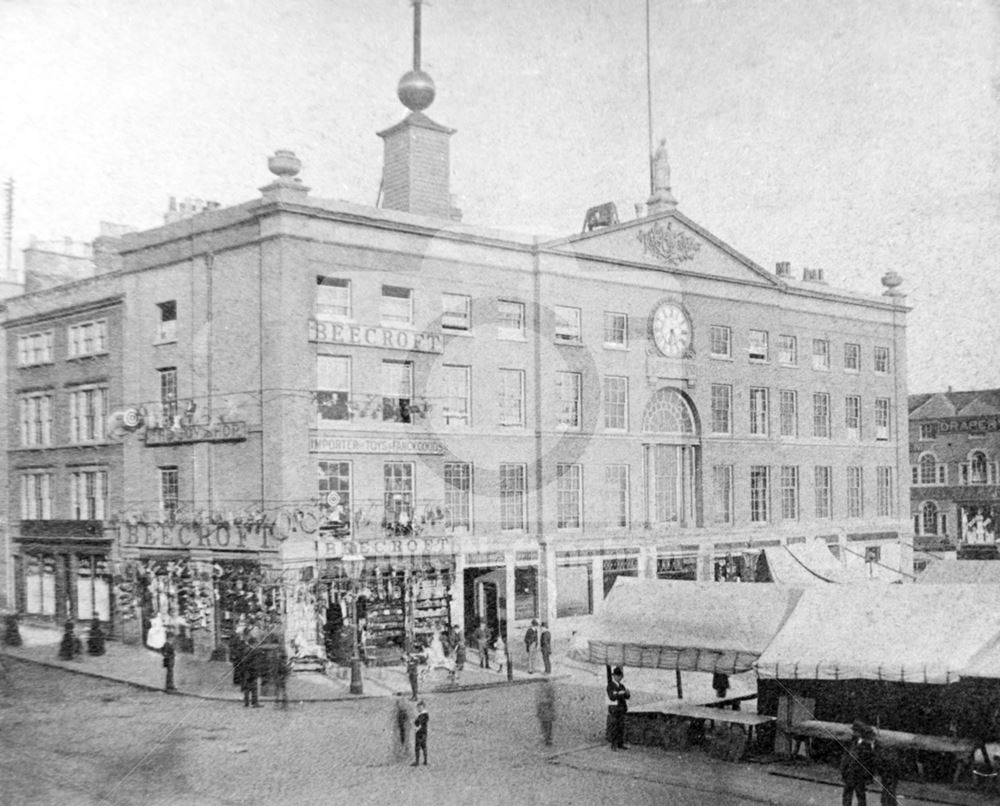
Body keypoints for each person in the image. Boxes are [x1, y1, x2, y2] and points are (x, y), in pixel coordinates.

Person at [841, 721, 876, 806]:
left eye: (855, 731)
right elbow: (846, 759)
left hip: (859, 776)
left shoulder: (866, 747)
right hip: (850, 774)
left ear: (859, 733)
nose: (853, 733)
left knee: (860, 796)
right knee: (847, 794)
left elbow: (869, 764)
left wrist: (868, 777)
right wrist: (844, 772)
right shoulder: (853, 742)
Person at [607, 666, 630, 750]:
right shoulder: (610, 685)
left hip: (621, 708)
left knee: (621, 727)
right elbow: (612, 696)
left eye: (620, 676)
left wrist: (626, 693)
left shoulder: (622, 686)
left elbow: (627, 697)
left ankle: (620, 743)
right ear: (614, 676)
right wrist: (620, 693)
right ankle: (613, 744)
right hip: (614, 709)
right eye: (617, 676)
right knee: (614, 727)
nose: (619, 678)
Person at [536, 679, 556, 746]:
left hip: (547, 711)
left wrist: (544, 701)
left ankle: (548, 739)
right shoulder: (540, 690)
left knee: (548, 725)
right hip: (543, 710)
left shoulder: (549, 690)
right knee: (543, 725)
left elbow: (552, 699)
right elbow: (538, 700)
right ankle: (545, 738)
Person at [412, 700, 429, 766]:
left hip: (419, 733)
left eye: (419, 707)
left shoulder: (422, 715)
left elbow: (417, 722)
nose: (418, 709)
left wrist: (416, 722)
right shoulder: (426, 715)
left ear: (422, 707)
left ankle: (417, 762)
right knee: (424, 746)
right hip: (424, 732)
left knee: (417, 747)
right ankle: (425, 761)